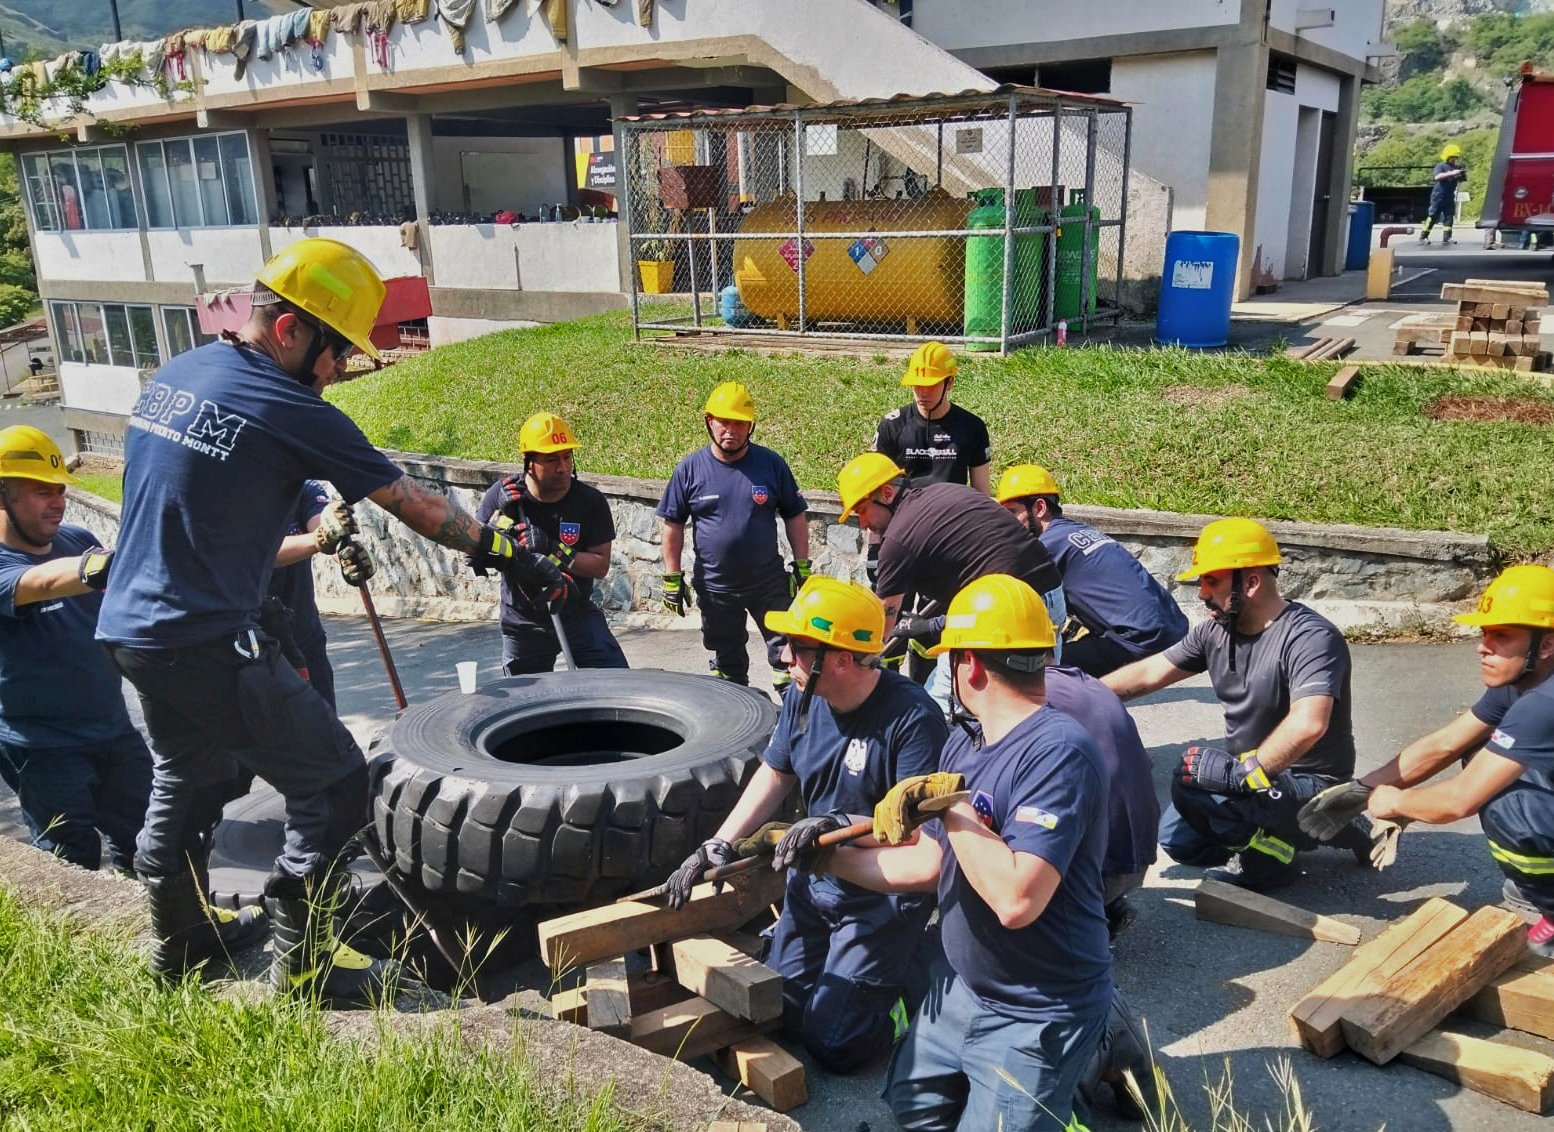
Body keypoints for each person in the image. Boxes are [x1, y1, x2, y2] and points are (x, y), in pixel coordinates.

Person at [95, 237, 533, 1001]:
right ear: (291, 328)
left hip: (132, 630)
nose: (338, 372)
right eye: (335, 352)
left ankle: (181, 946)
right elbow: (419, 506)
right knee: (334, 784)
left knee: (187, 779)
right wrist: (505, 552)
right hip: (202, 634)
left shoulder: (180, 374)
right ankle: (306, 968)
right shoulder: (287, 405)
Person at [828, 574, 1113, 1131]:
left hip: (1038, 1011)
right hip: (963, 986)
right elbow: (929, 861)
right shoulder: (967, 738)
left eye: (949, 661)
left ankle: (1080, 1073)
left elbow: (1016, 899)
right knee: (913, 1110)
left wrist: (952, 807)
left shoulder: (1059, 754)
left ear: (971, 666)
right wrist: (829, 853)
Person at [662, 575, 946, 1073]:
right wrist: (719, 844)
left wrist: (842, 822)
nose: (784, 657)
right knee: (782, 1012)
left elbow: (916, 834)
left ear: (840, 658)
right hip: (815, 881)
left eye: (798, 647)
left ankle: (929, 971)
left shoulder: (912, 719)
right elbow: (776, 771)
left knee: (836, 1044)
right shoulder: (802, 696)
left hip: (879, 895)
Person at [1299, 564, 1554, 956]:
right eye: (1485, 633)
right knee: (1480, 755)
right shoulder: (1526, 680)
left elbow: (1459, 801)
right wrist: (1364, 790)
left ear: (1546, 645)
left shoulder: (1543, 703)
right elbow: (1446, 744)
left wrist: (1397, 802)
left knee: (1506, 800)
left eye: (1501, 636)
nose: (1482, 646)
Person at [1104, 517, 1367, 891]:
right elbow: (1149, 673)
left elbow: (1309, 723)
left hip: (1310, 780)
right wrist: (1083, 693)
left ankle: (1295, 850)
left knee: (1191, 784)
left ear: (1252, 581)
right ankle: (1283, 839)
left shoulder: (1311, 638)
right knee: (1178, 841)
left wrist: (1246, 775)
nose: (1201, 593)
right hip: (1255, 776)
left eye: (1211, 581)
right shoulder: (1216, 631)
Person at [0, 425, 152, 874]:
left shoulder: (77, 540)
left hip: (112, 729)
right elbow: (42, 582)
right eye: (40, 490)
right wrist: (108, 562)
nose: (58, 501)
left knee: (154, 842)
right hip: (42, 748)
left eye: (60, 489)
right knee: (71, 863)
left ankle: (176, 936)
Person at [836, 450, 1066, 714]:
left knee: (939, 708)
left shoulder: (898, 540)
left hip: (1004, 612)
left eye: (862, 510)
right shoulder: (944, 492)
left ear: (887, 494)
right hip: (1048, 596)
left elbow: (884, 619)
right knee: (1031, 705)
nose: (864, 523)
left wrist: (856, 665)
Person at [658, 381, 810, 692]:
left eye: (740, 423)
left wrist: (802, 565)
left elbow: (795, 515)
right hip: (716, 589)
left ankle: (799, 728)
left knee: (789, 660)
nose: (732, 430)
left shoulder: (771, 464)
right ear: (709, 422)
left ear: (750, 426)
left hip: (768, 584)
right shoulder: (689, 469)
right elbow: (672, 525)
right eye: (724, 422)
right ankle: (740, 732)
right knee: (728, 666)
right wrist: (671, 578)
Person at [869, 340, 992, 678]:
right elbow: (873, 491)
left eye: (929, 386)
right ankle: (885, 684)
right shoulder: (893, 425)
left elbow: (981, 493)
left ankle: (920, 687)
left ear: (949, 383)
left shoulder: (971, 428)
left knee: (927, 627)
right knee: (887, 620)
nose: (921, 393)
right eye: (916, 386)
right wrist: (873, 549)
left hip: (948, 543)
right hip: (900, 540)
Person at [997, 463, 1187, 677]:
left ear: (1039, 508)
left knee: (1028, 670)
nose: (1007, 523)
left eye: (1012, 513)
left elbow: (1004, 592)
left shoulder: (1045, 547)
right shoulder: (1077, 531)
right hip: (1174, 630)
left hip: (1142, 642)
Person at [476, 412, 627, 674]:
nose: (562, 468)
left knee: (617, 685)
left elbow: (600, 566)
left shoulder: (590, 502)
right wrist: (496, 521)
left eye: (567, 457)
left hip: (576, 615)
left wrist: (554, 549)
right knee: (522, 705)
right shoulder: (504, 497)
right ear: (529, 462)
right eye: (551, 459)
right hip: (523, 622)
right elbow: (475, 553)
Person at [1044, 664, 1159, 937]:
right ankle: (1103, 908)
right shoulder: (1089, 683)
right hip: (1137, 854)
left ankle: (1076, 923)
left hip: (1097, 873)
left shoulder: (1018, 701)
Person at [265, 479, 371, 707]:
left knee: (326, 726)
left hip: (304, 632)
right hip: (254, 638)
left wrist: (345, 555)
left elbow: (323, 527)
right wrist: (320, 538)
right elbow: (259, 553)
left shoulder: (305, 489)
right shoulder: (237, 495)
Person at [1419, 143, 1467, 246]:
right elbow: (1437, 177)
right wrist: (1452, 173)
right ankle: (1423, 236)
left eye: (1455, 158)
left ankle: (1447, 237)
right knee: (1433, 216)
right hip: (1438, 196)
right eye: (1452, 158)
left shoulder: (1456, 167)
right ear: (1447, 157)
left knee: (1449, 217)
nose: (1454, 160)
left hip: (1449, 196)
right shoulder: (1440, 166)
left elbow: (1462, 180)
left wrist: (1460, 175)